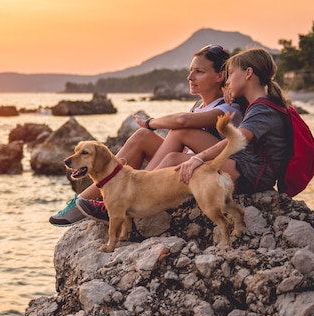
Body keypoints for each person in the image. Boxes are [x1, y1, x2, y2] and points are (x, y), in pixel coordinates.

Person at [50, 45, 244, 226]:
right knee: (142, 136)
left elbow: (182, 123)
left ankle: (135, 198)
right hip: (191, 165)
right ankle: (82, 201)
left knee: (173, 133)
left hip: (216, 168)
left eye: (199, 72)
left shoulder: (227, 107)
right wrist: (147, 129)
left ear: (220, 76)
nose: (190, 77)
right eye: (190, 70)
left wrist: (151, 122)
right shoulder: (197, 107)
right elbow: (185, 142)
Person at [166, 47, 290, 194]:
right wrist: (228, 91)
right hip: (243, 164)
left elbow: (236, 139)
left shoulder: (263, 110)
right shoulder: (256, 104)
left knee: (174, 160)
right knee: (174, 159)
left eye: (231, 74)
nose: (228, 81)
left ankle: (141, 195)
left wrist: (199, 158)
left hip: (253, 175)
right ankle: (140, 193)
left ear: (248, 73)